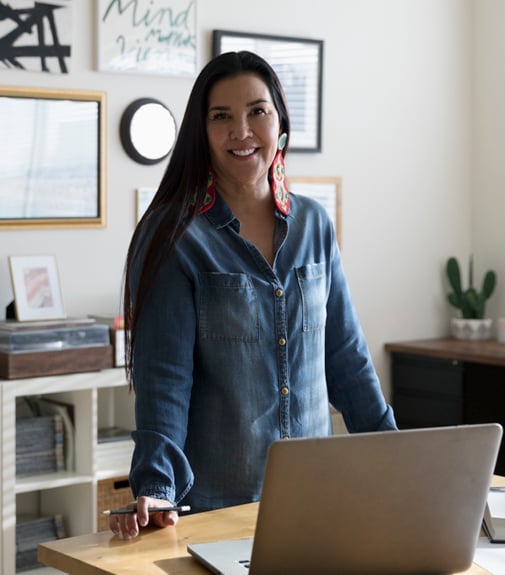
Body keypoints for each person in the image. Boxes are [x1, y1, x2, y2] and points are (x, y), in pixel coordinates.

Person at [110, 50, 397, 539]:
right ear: (201, 134)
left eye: (256, 112)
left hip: (318, 500)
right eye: (221, 117)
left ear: (280, 124)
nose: (241, 132)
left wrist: (399, 459)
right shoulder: (175, 236)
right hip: (217, 512)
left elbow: (346, 358)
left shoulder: (314, 225)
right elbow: (165, 380)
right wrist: (156, 484)